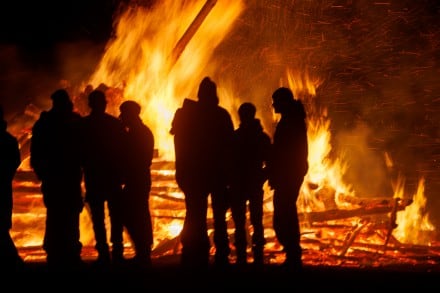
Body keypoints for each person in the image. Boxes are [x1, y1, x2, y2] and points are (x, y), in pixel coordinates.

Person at [170, 76, 234, 269]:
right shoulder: (220, 115)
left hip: (196, 174)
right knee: (216, 216)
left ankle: (195, 253)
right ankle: (218, 254)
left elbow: (178, 140)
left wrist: (182, 171)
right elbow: (230, 146)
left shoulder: (187, 115)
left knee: (195, 215)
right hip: (214, 174)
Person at [29, 89, 84, 270]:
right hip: (60, 177)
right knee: (62, 215)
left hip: (65, 177)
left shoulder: (51, 123)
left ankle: (64, 253)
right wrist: (43, 172)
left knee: (61, 215)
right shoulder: (51, 123)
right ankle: (60, 253)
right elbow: (36, 153)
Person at [80, 89, 126, 266]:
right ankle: (117, 250)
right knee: (115, 215)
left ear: (89, 105)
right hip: (112, 176)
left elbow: (79, 152)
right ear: (105, 104)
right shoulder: (115, 124)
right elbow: (124, 152)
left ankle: (104, 251)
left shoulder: (84, 125)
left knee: (98, 217)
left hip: (94, 176)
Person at [267, 87, 308, 272]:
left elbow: (284, 152)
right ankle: (292, 254)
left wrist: (274, 172)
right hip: (290, 173)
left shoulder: (290, 122)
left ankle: (293, 254)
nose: (273, 104)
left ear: (283, 102)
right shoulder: (291, 119)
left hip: (289, 174)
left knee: (284, 214)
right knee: (285, 213)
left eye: (275, 101)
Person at [229, 102, 271, 266]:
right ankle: (249, 252)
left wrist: (261, 176)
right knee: (246, 220)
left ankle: (251, 252)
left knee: (250, 220)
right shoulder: (259, 137)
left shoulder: (239, 137)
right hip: (244, 184)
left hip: (247, 184)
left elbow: (270, 162)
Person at [119, 100, 155, 269]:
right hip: (136, 178)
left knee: (136, 213)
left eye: (123, 113)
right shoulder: (137, 132)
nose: (120, 116)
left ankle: (144, 250)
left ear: (131, 114)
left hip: (137, 178)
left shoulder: (139, 133)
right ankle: (143, 250)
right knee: (135, 213)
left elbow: (138, 159)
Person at [0, 106, 23, 271]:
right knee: (1, 225)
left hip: (1, 186)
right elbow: (15, 162)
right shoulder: (9, 140)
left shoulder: (8, 140)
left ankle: (13, 262)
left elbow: (15, 162)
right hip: (3, 187)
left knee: (0, 226)